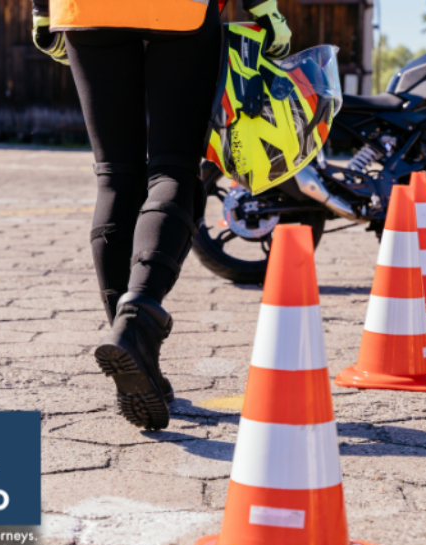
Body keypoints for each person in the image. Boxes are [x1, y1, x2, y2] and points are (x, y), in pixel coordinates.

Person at [30, 0, 292, 431]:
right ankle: (137, 325)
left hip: (84, 10)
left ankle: (131, 344)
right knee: (173, 167)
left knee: (115, 176)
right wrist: (266, 9)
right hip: (178, 10)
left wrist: (41, 11)